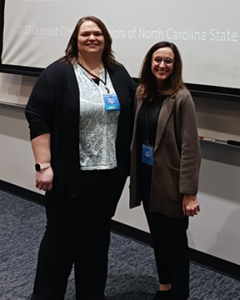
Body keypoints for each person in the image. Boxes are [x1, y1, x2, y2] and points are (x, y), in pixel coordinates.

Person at [25, 16, 136, 300]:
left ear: (105, 39)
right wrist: (44, 165)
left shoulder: (119, 73)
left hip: (109, 177)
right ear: (76, 39)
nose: (92, 38)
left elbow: (134, 110)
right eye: (86, 33)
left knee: (97, 244)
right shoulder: (59, 73)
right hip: (68, 177)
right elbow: (37, 116)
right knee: (60, 244)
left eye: (97, 33)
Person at [129, 41, 201, 300]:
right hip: (147, 180)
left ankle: (180, 294)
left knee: (176, 245)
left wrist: (189, 193)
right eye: (157, 60)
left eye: (168, 61)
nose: (162, 65)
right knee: (158, 237)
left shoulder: (182, 97)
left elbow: (192, 148)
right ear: (150, 63)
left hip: (171, 184)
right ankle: (165, 286)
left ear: (175, 65)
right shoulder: (141, 93)